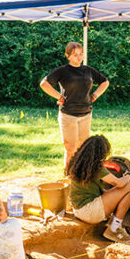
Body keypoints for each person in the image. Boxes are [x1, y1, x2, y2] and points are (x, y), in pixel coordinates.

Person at [39, 41, 110, 169]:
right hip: (68, 115)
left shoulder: (88, 70)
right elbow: (44, 84)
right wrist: (59, 96)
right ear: (68, 56)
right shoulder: (63, 71)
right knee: (70, 147)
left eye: (81, 54)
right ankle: (69, 174)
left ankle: (80, 173)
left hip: (86, 114)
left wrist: (95, 95)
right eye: (75, 54)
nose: (79, 57)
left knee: (83, 147)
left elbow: (105, 82)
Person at [65, 135, 130, 242]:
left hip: (78, 210)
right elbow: (120, 184)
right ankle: (113, 229)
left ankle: (113, 225)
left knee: (116, 191)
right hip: (90, 212)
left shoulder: (77, 162)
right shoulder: (96, 168)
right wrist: (129, 175)